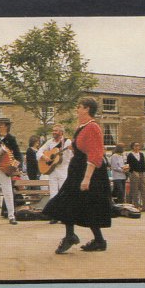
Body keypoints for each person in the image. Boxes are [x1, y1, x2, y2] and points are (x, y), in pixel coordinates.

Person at [43, 97, 111, 253]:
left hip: (88, 173)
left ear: (87, 109)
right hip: (78, 171)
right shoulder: (82, 126)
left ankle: (71, 237)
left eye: (79, 107)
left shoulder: (92, 127)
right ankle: (96, 240)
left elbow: (95, 154)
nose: (77, 109)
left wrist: (86, 178)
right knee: (81, 205)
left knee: (70, 202)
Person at [126, 142, 145, 212]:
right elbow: (128, 165)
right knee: (135, 190)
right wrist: (131, 172)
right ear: (132, 147)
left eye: (138, 146)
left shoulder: (141, 154)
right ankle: (136, 206)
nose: (137, 147)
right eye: (135, 146)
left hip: (142, 173)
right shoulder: (130, 155)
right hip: (134, 173)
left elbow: (143, 164)